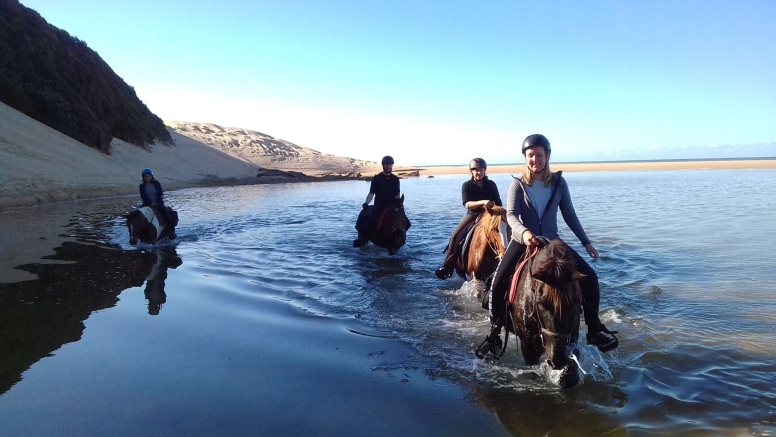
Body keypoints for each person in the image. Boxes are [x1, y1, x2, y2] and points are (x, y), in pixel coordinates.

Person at [477, 134, 618, 357]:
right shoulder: (518, 184)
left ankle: (594, 330)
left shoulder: (559, 183)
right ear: (525, 158)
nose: (535, 159)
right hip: (523, 242)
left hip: (553, 244)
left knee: (591, 278)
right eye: (530, 155)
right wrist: (523, 234)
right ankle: (494, 335)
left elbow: (570, 215)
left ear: (548, 156)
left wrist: (586, 242)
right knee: (496, 285)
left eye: (539, 155)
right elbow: (511, 215)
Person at [435, 158, 502, 279]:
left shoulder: (491, 184)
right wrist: (483, 202)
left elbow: (498, 201)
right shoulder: (467, 185)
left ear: (484, 171)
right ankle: (447, 265)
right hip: (473, 214)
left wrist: (497, 210)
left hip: (491, 216)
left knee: (504, 234)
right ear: (471, 171)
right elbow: (466, 204)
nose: (478, 173)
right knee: (455, 236)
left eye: (480, 170)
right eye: (475, 170)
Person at [353, 155, 401, 247]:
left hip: (391, 206)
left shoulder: (395, 179)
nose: (389, 166)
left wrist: (398, 204)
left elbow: (397, 194)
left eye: (390, 165)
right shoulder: (377, 178)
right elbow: (371, 193)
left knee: (405, 222)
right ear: (383, 165)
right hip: (379, 205)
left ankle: (401, 240)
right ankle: (363, 239)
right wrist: (366, 203)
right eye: (387, 164)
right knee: (370, 221)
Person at [139, 168, 176, 239]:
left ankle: (170, 231)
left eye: (148, 176)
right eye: (145, 176)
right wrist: (150, 202)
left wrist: (156, 202)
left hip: (158, 203)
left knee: (165, 214)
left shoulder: (157, 184)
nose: (147, 178)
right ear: (143, 177)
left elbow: (160, 194)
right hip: (147, 203)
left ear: (151, 176)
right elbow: (143, 196)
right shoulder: (142, 187)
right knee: (138, 215)